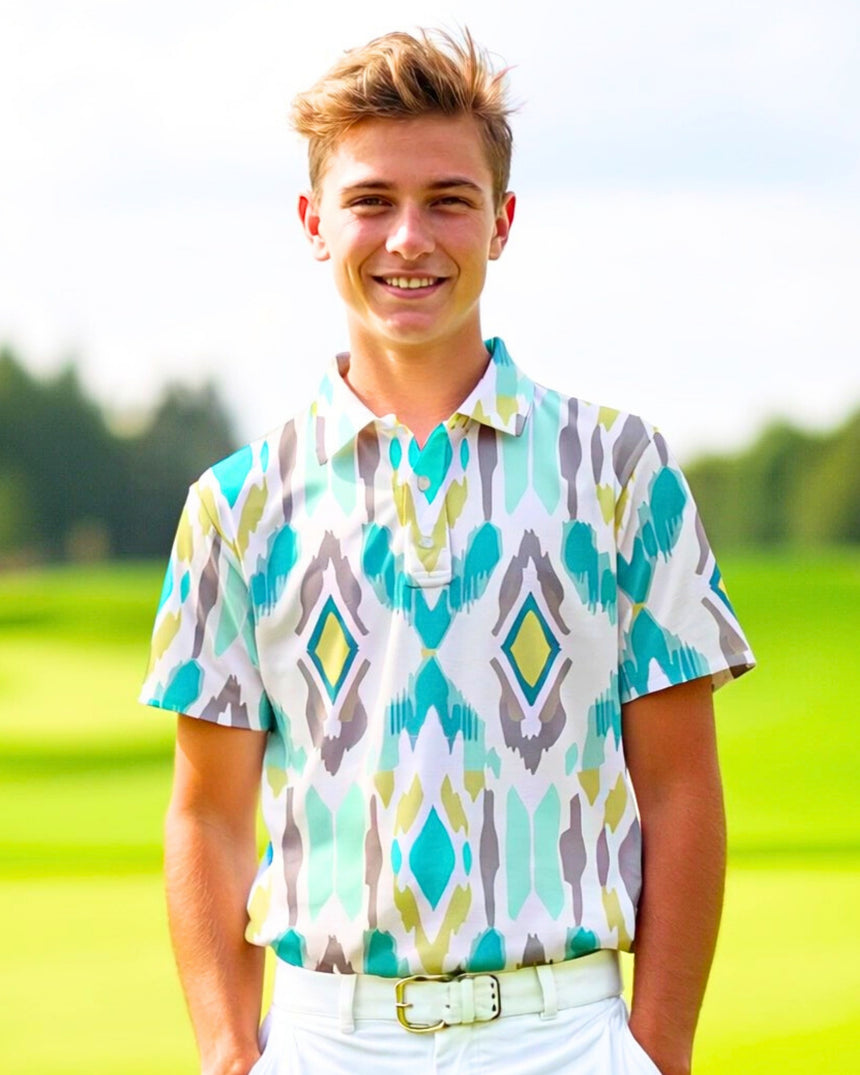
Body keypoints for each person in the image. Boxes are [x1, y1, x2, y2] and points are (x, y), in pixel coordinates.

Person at [140, 28, 754, 1075]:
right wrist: (228, 1052)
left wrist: (657, 1052)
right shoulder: (235, 504)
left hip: (565, 1034)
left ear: (501, 222)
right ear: (313, 222)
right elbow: (208, 810)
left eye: (449, 200)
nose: (409, 237)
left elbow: (681, 789)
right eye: (372, 200)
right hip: (325, 1037)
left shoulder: (619, 471)